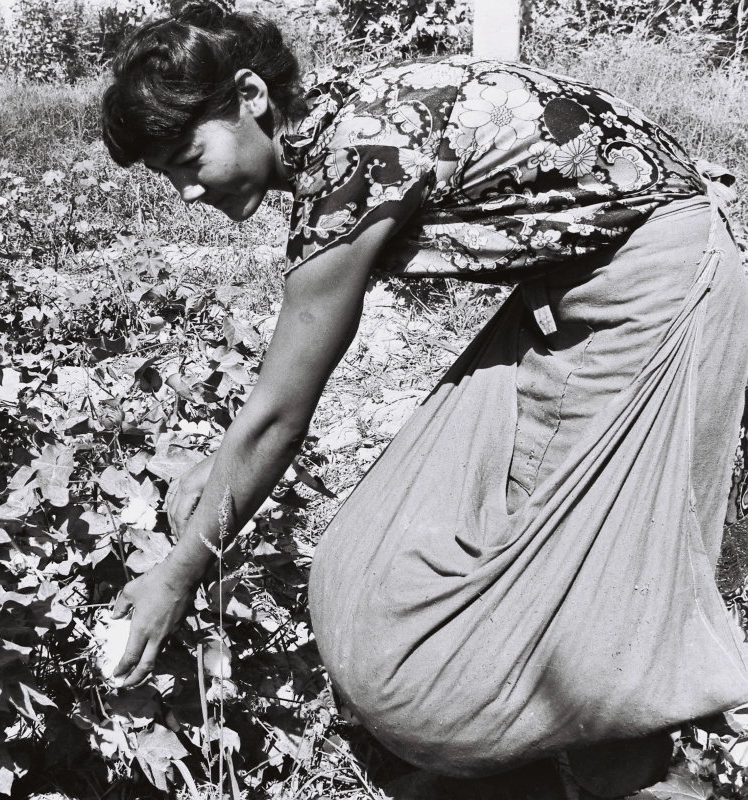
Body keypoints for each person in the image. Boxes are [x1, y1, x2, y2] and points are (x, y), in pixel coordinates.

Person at [99, 3, 748, 797]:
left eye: (187, 156)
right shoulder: (343, 127)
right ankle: (540, 765)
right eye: (166, 174)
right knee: (538, 551)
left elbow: (280, 415)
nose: (185, 193)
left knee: (593, 572)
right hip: (585, 277)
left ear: (250, 96)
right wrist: (228, 464)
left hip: (657, 280)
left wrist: (179, 574)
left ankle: (636, 779)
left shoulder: (352, 162)